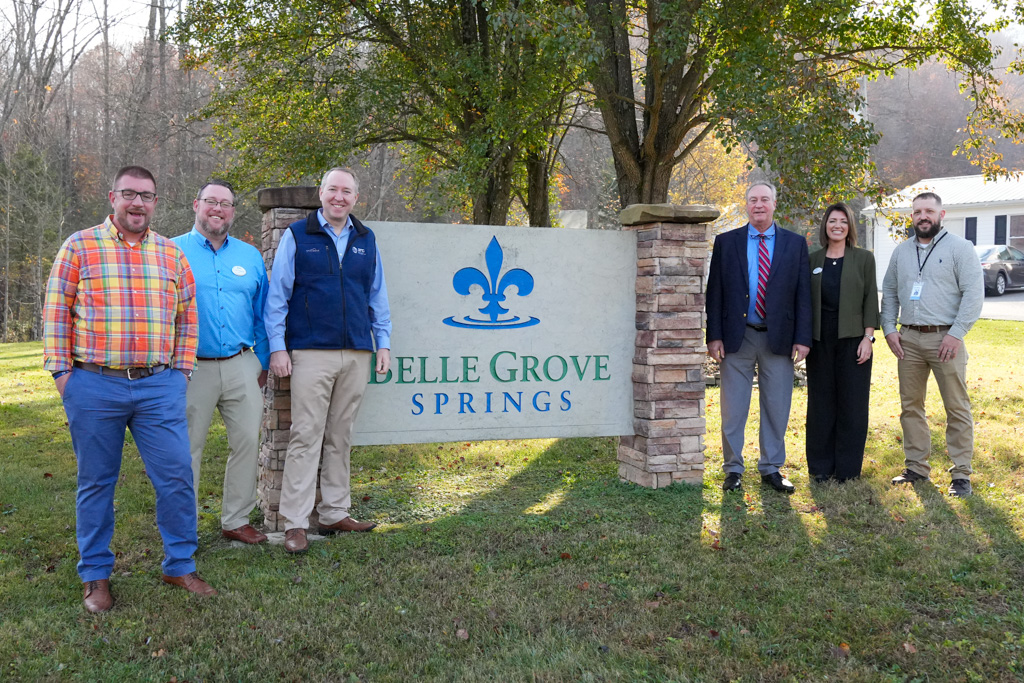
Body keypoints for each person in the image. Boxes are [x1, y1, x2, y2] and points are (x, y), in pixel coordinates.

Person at [43, 165, 216, 614]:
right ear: (112, 197)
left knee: (177, 476)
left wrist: (180, 374)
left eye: (146, 196)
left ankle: (179, 564)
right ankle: (95, 575)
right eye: (129, 194)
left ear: (156, 202)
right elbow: (56, 312)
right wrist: (64, 376)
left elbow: (188, 317)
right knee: (97, 482)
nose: (137, 203)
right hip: (94, 384)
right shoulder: (79, 246)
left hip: (159, 386)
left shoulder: (170, 254)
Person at [265, 167, 392, 553]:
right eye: (333, 190)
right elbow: (278, 296)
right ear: (321, 193)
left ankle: (335, 511)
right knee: (306, 435)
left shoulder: (366, 239)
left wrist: (382, 342)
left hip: (356, 350)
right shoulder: (298, 236)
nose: (339, 197)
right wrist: (277, 346)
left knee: (341, 435)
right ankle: (296, 523)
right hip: (310, 351)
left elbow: (377, 296)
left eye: (347, 192)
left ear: (356, 198)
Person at [172, 180, 270, 544]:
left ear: (233, 211)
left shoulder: (249, 256)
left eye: (225, 204)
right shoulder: (170, 251)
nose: (218, 209)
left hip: (242, 363)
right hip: (188, 367)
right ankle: (183, 527)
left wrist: (259, 361)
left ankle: (236, 519)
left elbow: (263, 313)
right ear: (196, 205)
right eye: (211, 201)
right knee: (186, 448)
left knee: (246, 440)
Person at [706, 181, 812, 494]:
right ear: (747, 205)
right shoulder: (727, 242)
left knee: (777, 406)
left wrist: (803, 338)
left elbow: (803, 295)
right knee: (733, 408)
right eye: (753, 200)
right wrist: (714, 336)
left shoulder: (795, 244)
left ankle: (772, 468)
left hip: (779, 338)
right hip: (737, 338)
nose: (759, 205)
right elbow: (715, 293)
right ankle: (733, 470)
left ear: (774, 204)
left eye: (764, 199)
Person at [881, 191, 984, 497]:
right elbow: (889, 292)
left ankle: (961, 473)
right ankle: (916, 467)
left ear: (942, 215)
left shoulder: (960, 249)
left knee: (956, 406)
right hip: (908, 339)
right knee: (910, 406)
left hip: (946, 339)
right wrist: (889, 329)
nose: (922, 216)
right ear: (911, 217)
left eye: (928, 211)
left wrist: (957, 333)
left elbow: (973, 295)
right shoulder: (901, 252)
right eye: (917, 212)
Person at [805, 202, 879, 483]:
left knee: (852, 405)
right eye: (832, 220)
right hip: (819, 341)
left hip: (853, 341)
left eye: (843, 221)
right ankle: (821, 468)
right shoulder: (812, 260)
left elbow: (871, 298)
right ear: (825, 225)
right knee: (821, 404)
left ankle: (848, 470)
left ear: (850, 227)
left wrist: (868, 337)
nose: (837, 225)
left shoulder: (863, 259)